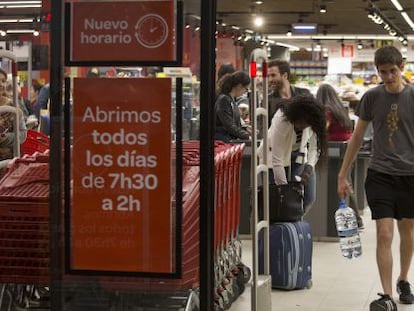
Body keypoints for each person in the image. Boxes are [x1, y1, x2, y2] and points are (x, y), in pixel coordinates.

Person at [337, 45, 414, 311]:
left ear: (401, 66)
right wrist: (342, 173)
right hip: (380, 173)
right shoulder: (371, 97)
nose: (388, 77)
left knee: (408, 232)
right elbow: (357, 137)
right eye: (383, 72)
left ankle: (404, 279)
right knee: (383, 233)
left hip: (410, 176)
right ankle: (388, 295)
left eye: (392, 71)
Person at [258, 95, 327, 212]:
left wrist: (309, 168)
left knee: (309, 197)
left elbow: (314, 148)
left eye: (307, 124)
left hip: (298, 156)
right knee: (279, 201)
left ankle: (294, 222)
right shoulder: (282, 118)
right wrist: (285, 192)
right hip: (274, 155)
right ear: (296, 115)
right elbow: (277, 159)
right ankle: (281, 228)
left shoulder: (314, 120)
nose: (303, 126)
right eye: (301, 122)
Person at [316, 83, 364, 229]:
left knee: (344, 184)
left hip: (336, 149)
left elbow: (323, 129)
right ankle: (357, 218)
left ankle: (356, 219)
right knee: (347, 182)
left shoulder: (326, 110)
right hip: (348, 148)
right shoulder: (340, 109)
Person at [267, 59, 311, 126]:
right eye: (268, 76)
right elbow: (263, 128)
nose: (270, 80)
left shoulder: (304, 94)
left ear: (285, 76)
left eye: (273, 75)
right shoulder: (267, 100)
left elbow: (313, 120)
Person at [214, 71, 250, 142]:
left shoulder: (232, 100)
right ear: (239, 86)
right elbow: (229, 125)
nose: (245, 91)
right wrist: (246, 135)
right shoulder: (224, 100)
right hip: (222, 141)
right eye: (246, 88)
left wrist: (244, 129)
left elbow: (233, 123)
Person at [0, 68, 27, 161]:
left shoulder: (13, 105)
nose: (1, 84)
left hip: (8, 163)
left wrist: (6, 138)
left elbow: (23, 134)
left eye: (3, 81)